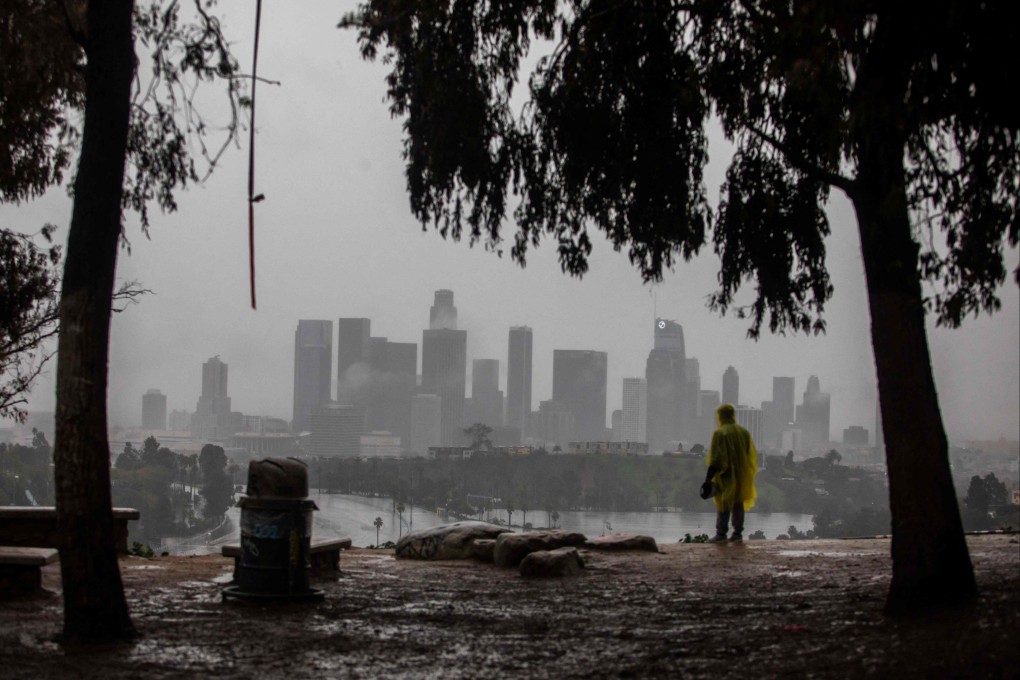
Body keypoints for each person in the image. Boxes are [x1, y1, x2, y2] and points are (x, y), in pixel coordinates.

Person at [701, 403, 758, 542]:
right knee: (738, 503)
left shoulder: (720, 433)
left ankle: (721, 534)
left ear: (720, 416)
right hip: (742, 474)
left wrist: (708, 479)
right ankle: (737, 534)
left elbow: (715, 459)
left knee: (723, 503)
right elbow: (749, 454)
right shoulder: (743, 432)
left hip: (724, 475)